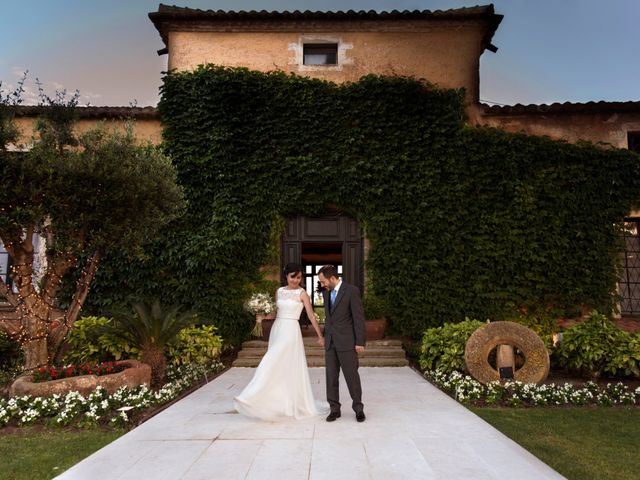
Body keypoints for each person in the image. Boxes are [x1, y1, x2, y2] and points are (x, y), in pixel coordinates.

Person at [234, 263, 329, 420]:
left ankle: (249, 396)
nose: (296, 280)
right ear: (286, 276)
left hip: (291, 330)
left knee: (269, 362)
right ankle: (278, 402)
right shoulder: (279, 291)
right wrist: (261, 317)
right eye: (293, 277)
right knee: (280, 366)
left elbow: (311, 316)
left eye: (299, 277)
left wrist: (320, 335)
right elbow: (274, 313)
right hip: (278, 329)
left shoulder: (302, 293)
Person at [317, 265, 366, 423]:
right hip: (330, 342)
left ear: (332, 278)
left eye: (323, 281)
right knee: (331, 377)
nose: (322, 284)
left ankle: (358, 408)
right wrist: (324, 336)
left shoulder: (351, 291)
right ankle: (334, 409)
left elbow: (358, 318)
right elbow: (329, 319)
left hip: (347, 342)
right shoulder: (326, 294)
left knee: (352, 377)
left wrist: (359, 341)